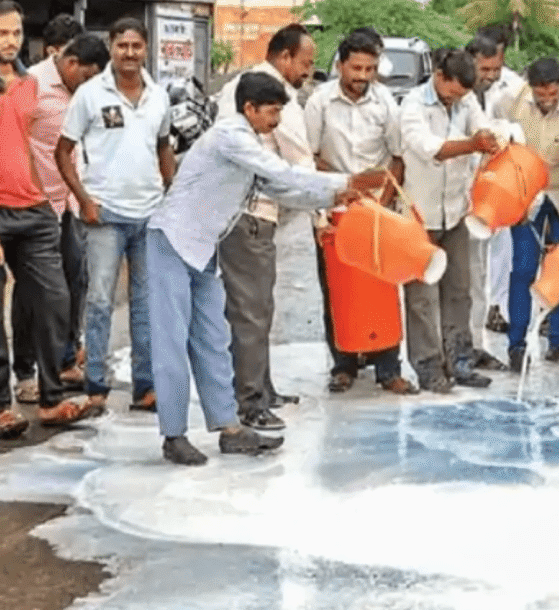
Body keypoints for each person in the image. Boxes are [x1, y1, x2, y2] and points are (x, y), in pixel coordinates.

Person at [145, 71, 387, 465]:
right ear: (249, 109)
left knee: (214, 338)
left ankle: (229, 428)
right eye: (271, 112)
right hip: (171, 241)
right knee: (172, 343)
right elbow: (282, 173)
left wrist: (341, 192)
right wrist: (347, 178)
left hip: (204, 248)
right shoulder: (231, 137)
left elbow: (282, 189)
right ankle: (173, 435)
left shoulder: (250, 145)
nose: (275, 121)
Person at [56, 17, 174, 415]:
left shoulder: (159, 95)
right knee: (101, 300)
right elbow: (63, 151)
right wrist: (84, 199)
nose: (129, 53)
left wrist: (171, 198)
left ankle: (146, 387)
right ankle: (97, 387)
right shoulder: (90, 95)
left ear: (146, 49)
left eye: (136, 46)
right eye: (122, 45)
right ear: (111, 47)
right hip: (105, 215)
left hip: (149, 215)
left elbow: (163, 149)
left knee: (145, 303)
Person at [0, 2, 84, 441]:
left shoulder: (26, 84)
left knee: (53, 299)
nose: (11, 40)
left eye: (17, 32)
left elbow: (21, 141)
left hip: (33, 208)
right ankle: (1, 407)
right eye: (2, 32)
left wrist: (42, 194)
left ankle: (50, 396)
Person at [304, 31, 418, 395]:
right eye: (356, 68)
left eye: (370, 68)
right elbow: (308, 155)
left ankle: (389, 368)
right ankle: (343, 364)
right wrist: (340, 188)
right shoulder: (320, 102)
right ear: (340, 65)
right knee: (337, 287)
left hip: (377, 209)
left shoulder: (386, 102)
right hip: (334, 206)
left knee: (383, 287)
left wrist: (381, 203)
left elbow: (398, 157)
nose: (363, 76)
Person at [213, 24, 314, 431]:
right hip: (248, 214)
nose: (309, 71)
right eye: (306, 63)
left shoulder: (257, 87)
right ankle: (250, 401)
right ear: (284, 56)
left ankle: (262, 388)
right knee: (250, 312)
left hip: (259, 214)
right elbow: (297, 162)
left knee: (260, 307)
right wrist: (328, 201)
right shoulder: (267, 95)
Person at [12, 34, 108, 407]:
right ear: (70, 65)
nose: (89, 86)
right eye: (86, 77)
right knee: (30, 294)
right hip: (36, 206)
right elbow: (13, 139)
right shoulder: (32, 85)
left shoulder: (84, 94)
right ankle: (25, 373)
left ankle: (66, 360)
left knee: (73, 283)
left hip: (71, 204)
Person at [400, 48, 500, 392]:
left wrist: (489, 138)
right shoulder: (413, 105)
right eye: (453, 92)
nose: (457, 99)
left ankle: (459, 360)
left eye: (463, 95)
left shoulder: (466, 100)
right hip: (419, 215)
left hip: (456, 210)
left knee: (459, 291)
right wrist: (473, 144)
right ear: (439, 77)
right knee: (422, 298)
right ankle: (428, 367)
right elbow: (429, 147)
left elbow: (483, 128)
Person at [496, 57, 559, 372]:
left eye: (552, 92)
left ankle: (558, 343)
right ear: (530, 86)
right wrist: (515, 197)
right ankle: (517, 345)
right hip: (526, 191)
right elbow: (502, 145)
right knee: (523, 268)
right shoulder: (511, 100)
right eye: (540, 93)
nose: (546, 99)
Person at [463, 34, 517, 370]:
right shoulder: (457, 92)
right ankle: (455, 346)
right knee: (460, 279)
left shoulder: (511, 88)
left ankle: (476, 344)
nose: (491, 75)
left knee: (483, 267)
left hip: (493, 193)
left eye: (496, 68)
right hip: (456, 195)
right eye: (485, 68)